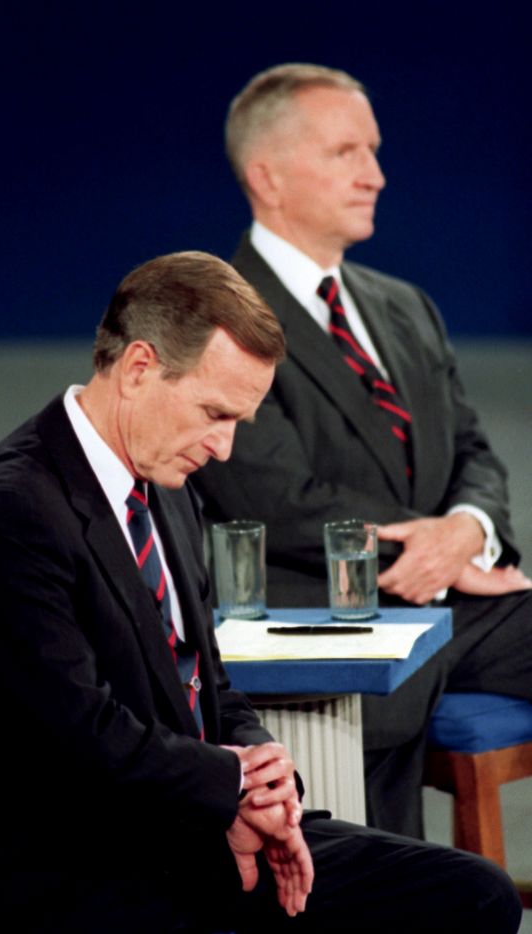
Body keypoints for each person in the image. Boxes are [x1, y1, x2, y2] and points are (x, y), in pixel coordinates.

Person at [0, 251, 521, 932]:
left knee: (470, 894)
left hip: (180, 835)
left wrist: (265, 778)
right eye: (214, 413)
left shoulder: (167, 491)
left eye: (238, 423)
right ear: (138, 368)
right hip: (59, 872)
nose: (224, 449)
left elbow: (210, 685)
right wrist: (230, 789)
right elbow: (77, 736)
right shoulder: (7, 512)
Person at [192, 63, 532, 836]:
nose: (376, 175)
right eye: (347, 152)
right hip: (324, 619)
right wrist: (435, 544)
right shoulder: (216, 315)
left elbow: (475, 449)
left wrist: (468, 530)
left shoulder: (404, 306)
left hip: (450, 609)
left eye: (374, 151)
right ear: (268, 177)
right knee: (386, 883)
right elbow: (275, 497)